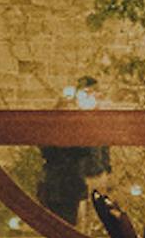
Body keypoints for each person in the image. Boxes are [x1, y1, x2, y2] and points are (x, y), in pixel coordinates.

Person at [37, 79, 113, 225]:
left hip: (82, 184)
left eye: (95, 94)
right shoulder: (64, 116)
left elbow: (101, 150)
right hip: (64, 187)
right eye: (87, 93)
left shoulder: (95, 119)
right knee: (64, 226)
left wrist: (104, 172)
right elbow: (49, 149)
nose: (93, 98)